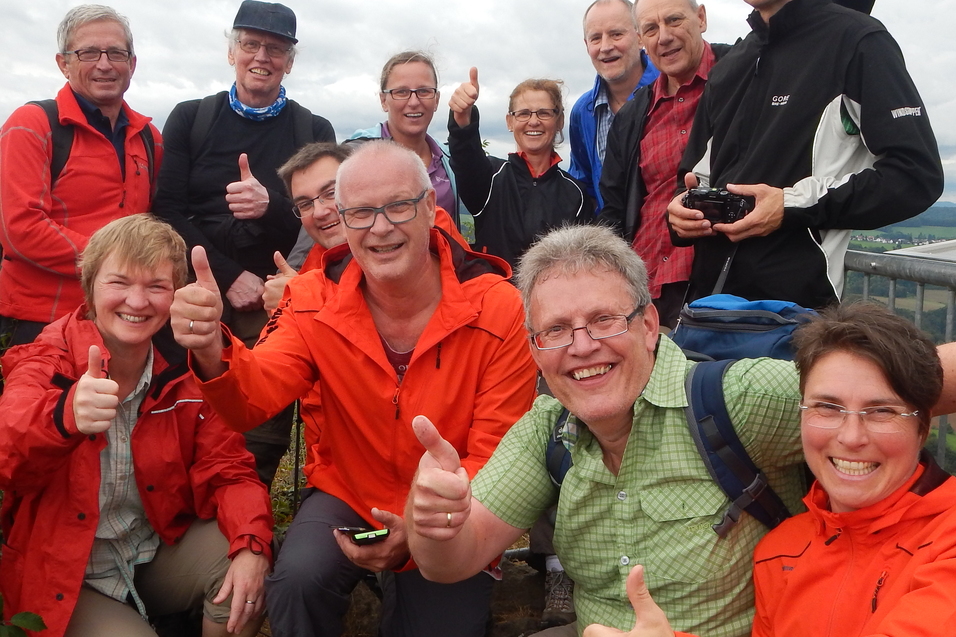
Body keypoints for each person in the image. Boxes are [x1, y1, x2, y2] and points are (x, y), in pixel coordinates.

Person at [404, 224, 956, 637]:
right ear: (535, 350)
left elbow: (888, 386)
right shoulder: (547, 433)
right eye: (556, 330)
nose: (581, 346)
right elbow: (453, 560)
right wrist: (433, 520)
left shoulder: (734, 401)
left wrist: (905, 394)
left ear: (648, 325)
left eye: (603, 320)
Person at [169, 140, 538, 637]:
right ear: (342, 219)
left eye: (398, 207)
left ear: (431, 207)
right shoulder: (310, 298)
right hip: (350, 491)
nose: (380, 228)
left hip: (452, 503)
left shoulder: (497, 306)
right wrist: (214, 348)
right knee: (297, 581)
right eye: (361, 213)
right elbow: (255, 397)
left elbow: (499, 449)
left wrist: (419, 525)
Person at [582, 303, 956, 637]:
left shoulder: (947, 542)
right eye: (827, 407)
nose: (851, 436)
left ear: (922, 426)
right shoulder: (782, 551)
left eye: (881, 411)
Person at [0, 214, 273, 637]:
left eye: (157, 286)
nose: (138, 301)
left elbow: (230, 469)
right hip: (65, 575)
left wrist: (253, 546)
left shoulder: (183, 370)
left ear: (176, 295)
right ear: (90, 286)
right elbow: (7, 452)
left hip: (150, 552)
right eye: (120, 283)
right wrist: (64, 417)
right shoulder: (48, 359)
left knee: (248, 576)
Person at [152, 0, 335, 486]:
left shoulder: (312, 130)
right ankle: (179, 526)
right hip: (196, 291)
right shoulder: (191, 118)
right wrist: (231, 277)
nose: (262, 56)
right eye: (251, 44)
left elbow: (319, 218)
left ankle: (246, 527)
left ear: (290, 61)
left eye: (275, 48)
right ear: (232, 51)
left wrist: (271, 205)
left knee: (257, 427)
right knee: (178, 413)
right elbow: (165, 208)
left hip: (272, 300)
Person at [667, 0, 943, 309]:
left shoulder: (857, 40)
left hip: (800, 318)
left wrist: (789, 205)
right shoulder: (731, 66)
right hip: (709, 310)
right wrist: (679, 213)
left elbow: (916, 175)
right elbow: (692, 177)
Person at [0, 4, 160, 347]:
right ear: (64, 64)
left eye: (116, 53)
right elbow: (21, 229)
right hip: (42, 322)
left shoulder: (148, 138)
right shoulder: (31, 125)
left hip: (125, 320)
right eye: (88, 53)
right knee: (40, 403)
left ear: (132, 64)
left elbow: (157, 220)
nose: (104, 64)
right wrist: (118, 265)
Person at [599, 0, 730, 329]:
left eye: (674, 21)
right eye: (652, 29)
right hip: (649, 285)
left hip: (725, 281)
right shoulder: (633, 115)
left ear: (701, 18)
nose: (665, 37)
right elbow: (614, 208)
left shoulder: (743, 76)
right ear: (642, 40)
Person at [448, 70, 594, 270]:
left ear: (559, 121)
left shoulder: (576, 195)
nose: (533, 121)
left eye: (544, 113)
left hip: (550, 300)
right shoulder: (489, 178)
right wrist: (462, 116)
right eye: (523, 113)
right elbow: (464, 153)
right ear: (510, 122)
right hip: (495, 297)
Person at [349, 51, 473, 242]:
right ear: (384, 100)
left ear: (437, 100)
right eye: (401, 92)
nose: (414, 102)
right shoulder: (355, 155)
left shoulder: (447, 159)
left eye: (424, 91)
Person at [569, 0, 659, 210]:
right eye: (596, 38)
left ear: (639, 38)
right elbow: (584, 186)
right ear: (586, 45)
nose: (606, 47)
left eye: (616, 34)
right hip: (613, 237)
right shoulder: (583, 112)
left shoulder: (670, 90)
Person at [261, 142, 352, 312]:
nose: (319, 212)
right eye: (305, 204)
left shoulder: (398, 251)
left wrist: (302, 298)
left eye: (331, 193)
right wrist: (216, 336)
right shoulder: (305, 269)